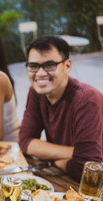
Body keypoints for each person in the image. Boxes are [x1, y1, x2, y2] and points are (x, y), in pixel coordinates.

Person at [19, 35, 103, 182]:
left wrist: (58, 161)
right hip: (67, 177)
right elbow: (25, 141)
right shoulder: (37, 92)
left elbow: (89, 170)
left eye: (50, 65)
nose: (40, 74)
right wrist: (73, 153)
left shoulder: (86, 99)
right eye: (33, 66)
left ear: (67, 66)